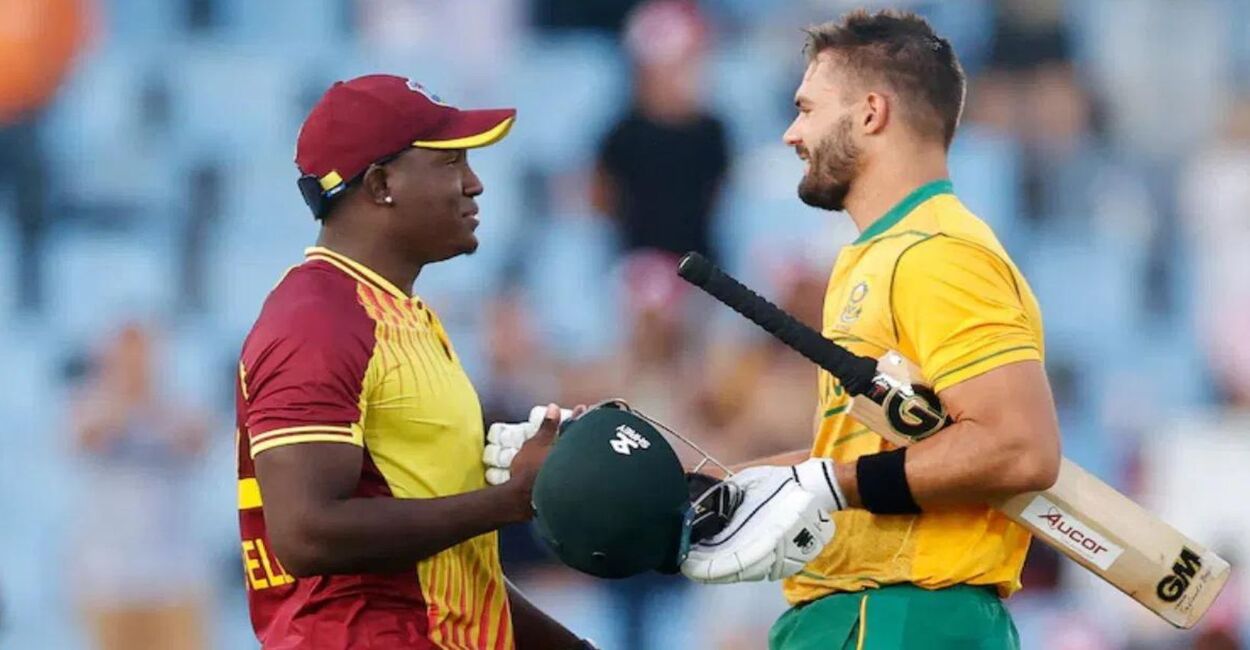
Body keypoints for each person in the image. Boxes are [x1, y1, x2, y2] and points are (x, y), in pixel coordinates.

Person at [680, 10, 1061, 649]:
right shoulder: (877, 255)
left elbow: (1020, 448)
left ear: (870, 113)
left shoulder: (939, 253)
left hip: (902, 615)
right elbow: (860, 461)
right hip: (859, 612)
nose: (791, 133)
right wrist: (710, 483)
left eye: (806, 109)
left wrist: (831, 484)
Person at [236, 74, 593, 650]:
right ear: (381, 184)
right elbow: (305, 533)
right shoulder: (318, 319)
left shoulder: (404, 316)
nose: (475, 184)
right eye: (451, 161)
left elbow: (450, 569)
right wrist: (506, 501)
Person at [70, 323, 210, 650]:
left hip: (175, 578)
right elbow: (88, 437)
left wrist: (150, 403)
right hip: (109, 583)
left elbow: (197, 439)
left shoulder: (176, 404)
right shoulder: (90, 404)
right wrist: (127, 397)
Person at [591, 0, 730, 265]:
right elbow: (602, 200)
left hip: (700, 266)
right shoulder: (624, 134)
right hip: (636, 265)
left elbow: (719, 198)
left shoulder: (712, 132)